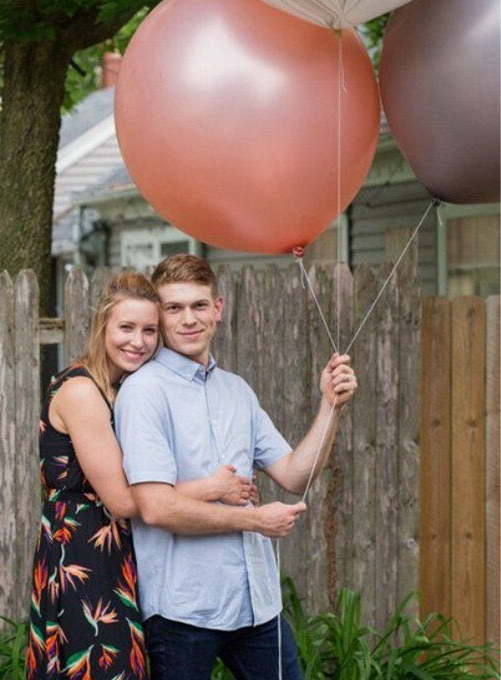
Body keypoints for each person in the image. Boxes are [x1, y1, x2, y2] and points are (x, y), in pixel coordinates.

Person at [115, 254, 358, 680]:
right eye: (174, 308)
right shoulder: (144, 392)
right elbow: (156, 508)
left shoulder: (238, 391)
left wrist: (330, 407)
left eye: (199, 305)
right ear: (161, 315)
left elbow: (293, 474)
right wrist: (253, 521)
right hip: (182, 610)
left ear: (218, 309)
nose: (189, 319)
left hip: (256, 604)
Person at [26, 271, 258, 680]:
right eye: (126, 328)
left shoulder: (124, 389)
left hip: (118, 552)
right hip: (83, 555)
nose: (138, 341)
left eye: (149, 330)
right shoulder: (82, 391)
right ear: (103, 326)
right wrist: (212, 487)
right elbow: (120, 500)